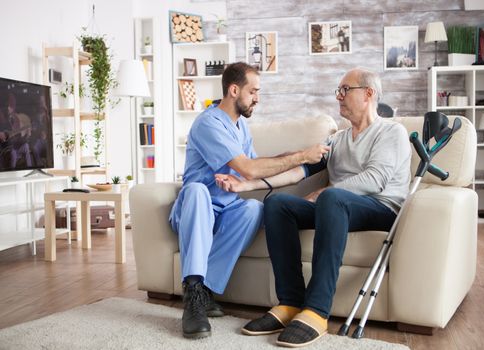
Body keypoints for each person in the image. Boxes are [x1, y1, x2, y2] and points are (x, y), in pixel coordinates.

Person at [215, 68, 412, 347]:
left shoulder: (391, 131)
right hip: (338, 208)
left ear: (369, 94)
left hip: (380, 208)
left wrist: (325, 192)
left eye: (346, 90)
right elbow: (298, 172)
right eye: (338, 91)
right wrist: (244, 185)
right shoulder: (337, 140)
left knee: (331, 198)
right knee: (278, 204)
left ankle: (318, 311)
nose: (339, 97)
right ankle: (291, 303)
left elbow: (375, 180)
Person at [168, 62, 330, 339]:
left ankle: (205, 290)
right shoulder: (209, 123)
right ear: (233, 90)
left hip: (227, 208)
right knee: (197, 190)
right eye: (253, 91)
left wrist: (301, 153)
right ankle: (193, 294)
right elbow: (249, 169)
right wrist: (302, 156)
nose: (258, 97)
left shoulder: (240, 125)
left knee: (254, 208)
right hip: (196, 210)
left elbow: (256, 163)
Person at [0, 93, 33, 169]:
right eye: (8, 105)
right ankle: (12, 171)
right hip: (10, 146)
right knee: (13, 154)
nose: (9, 108)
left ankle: (30, 168)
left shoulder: (17, 118)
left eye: (11, 105)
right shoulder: (4, 119)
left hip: (19, 144)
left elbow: (23, 136)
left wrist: (27, 134)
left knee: (26, 146)